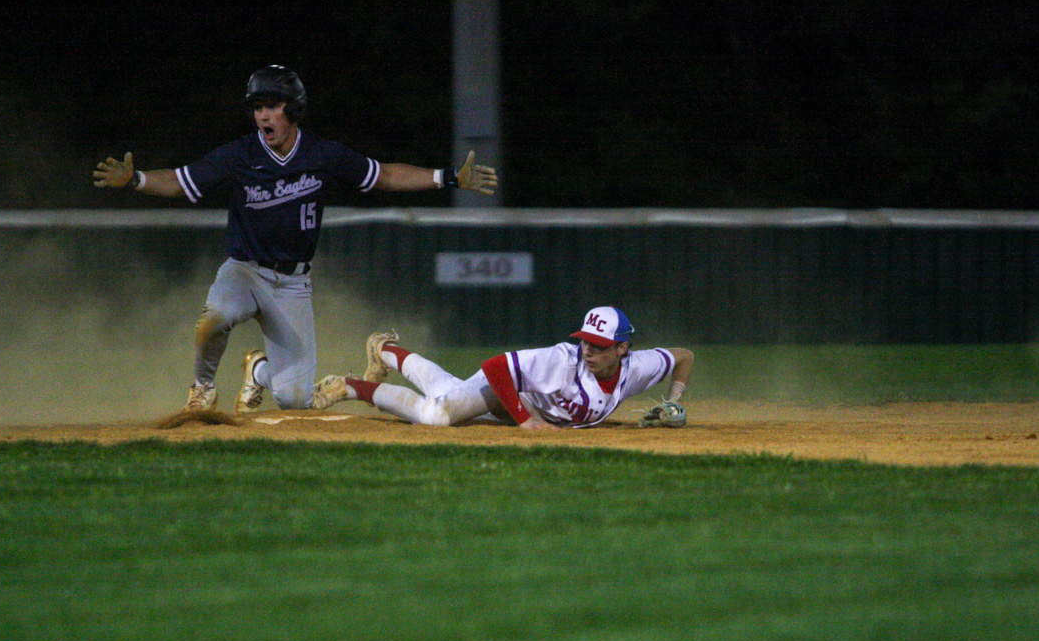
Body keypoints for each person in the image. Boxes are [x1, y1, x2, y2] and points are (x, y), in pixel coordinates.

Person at [93, 64, 498, 412]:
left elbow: (385, 175)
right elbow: (181, 181)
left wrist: (447, 177)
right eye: (257, 107)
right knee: (215, 316)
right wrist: (136, 179)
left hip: (293, 285)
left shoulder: (321, 154)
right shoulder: (239, 155)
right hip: (245, 271)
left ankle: (258, 371)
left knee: (295, 399)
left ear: (295, 110)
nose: (263, 115)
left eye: (272, 106)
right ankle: (202, 389)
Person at [329, 306, 694, 429]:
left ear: (622, 348)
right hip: (505, 391)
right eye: (585, 341)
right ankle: (352, 387)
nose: (588, 350)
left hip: (518, 403)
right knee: (437, 415)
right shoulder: (563, 359)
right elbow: (495, 366)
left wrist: (673, 401)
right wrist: (526, 421)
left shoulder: (637, 368)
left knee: (444, 388)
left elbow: (683, 357)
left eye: (598, 345)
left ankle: (385, 351)